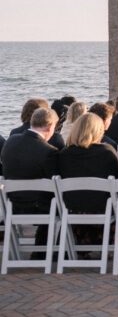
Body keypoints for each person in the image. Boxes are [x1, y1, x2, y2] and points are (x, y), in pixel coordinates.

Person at [2, 108, 60, 253]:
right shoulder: (49, 151)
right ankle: (51, 250)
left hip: (12, 205)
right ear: (50, 125)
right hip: (39, 208)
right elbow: (54, 183)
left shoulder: (11, 141)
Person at [57, 113, 118, 245]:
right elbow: (117, 180)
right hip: (103, 210)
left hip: (73, 210)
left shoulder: (64, 154)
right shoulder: (107, 152)